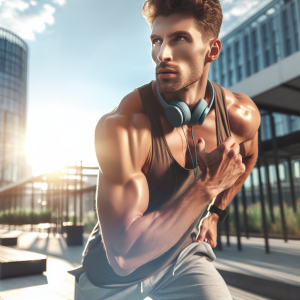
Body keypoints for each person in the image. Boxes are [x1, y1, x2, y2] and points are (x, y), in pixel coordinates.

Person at [72, 0, 260, 299]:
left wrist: (216, 214)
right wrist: (207, 187)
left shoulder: (239, 115)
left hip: (181, 259)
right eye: (157, 40)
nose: (162, 54)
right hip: (111, 278)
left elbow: (248, 157)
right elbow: (124, 258)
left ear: (212, 49)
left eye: (179, 38)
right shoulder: (125, 126)